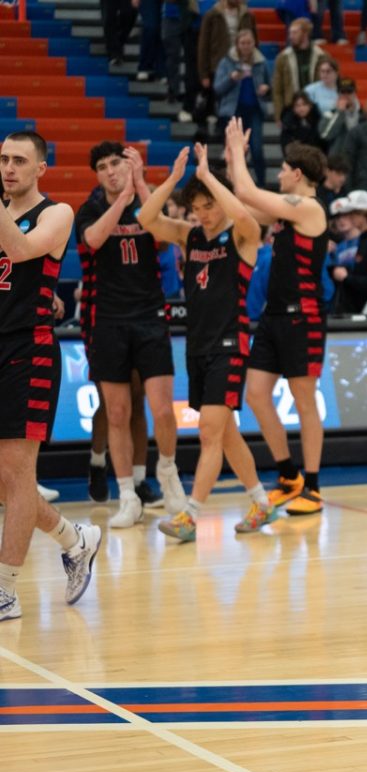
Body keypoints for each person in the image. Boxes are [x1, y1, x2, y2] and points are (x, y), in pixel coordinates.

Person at [137, 143, 276, 541]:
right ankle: (261, 503)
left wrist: (210, 176)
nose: (202, 214)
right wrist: (174, 178)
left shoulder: (243, 237)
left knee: (210, 433)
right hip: (197, 346)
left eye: (208, 205)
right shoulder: (189, 237)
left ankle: (190, 515)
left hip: (231, 343)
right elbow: (147, 218)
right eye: (196, 207)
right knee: (225, 433)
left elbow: (245, 215)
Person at [0, 131, 104, 622]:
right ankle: (75, 539)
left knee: (19, 474)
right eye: (3, 159)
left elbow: (19, 250)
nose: (9, 168)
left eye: (19, 160)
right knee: (6, 482)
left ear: (42, 167)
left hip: (30, 348)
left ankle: (6, 590)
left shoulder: (56, 213)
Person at [76, 143, 187, 528]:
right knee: (118, 412)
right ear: (97, 174)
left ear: (129, 165)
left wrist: (140, 185)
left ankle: (168, 472)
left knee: (160, 409)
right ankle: (127, 495)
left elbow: (160, 230)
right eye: (103, 167)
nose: (110, 171)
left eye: (117, 164)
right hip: (107, 320)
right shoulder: (89, 210)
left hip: (150, 316)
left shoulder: (148, 205)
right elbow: (92, 240)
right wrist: (122, 197)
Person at [228, 126, 331, 516]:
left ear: (298, 175)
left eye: (285, 169)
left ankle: (314, 486)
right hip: (273, 316)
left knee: (304, 401)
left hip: (303, 317)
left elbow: (248, 193)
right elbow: (241, 207)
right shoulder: (285, 211)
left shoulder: (309, 208)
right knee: (256, 394)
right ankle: (289, 475)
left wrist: (239, 151)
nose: (281, 174)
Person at [214, 29, 271, 186]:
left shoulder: (261, 62)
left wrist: (266, 89)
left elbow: (269, 85)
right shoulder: (227, 62)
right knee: (234, 152)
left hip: (254, 110)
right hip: (233, 111)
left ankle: (261, 186)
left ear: (254, 44)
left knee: (257, 150)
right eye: (243, 43)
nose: (246, 46)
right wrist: (231, 79)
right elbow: (217, 88)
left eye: (249, 43)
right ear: (237, 44)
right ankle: (232, 184)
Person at [198, 0, 258, 122]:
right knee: (217, 103)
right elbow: (203, 46)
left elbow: (255, 42)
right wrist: (203, 73)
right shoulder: (212, 15)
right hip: (218, 65)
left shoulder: (248, 15)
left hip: (242, 64)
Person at [272, 18, 326, 123]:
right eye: (290, 33)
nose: (290, 37)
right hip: (291, 109)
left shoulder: (321, 56)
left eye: (295, 33)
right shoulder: (283, 57)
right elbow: (277, 90)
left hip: (315, 109)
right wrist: (278, 114)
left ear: (305, 34)